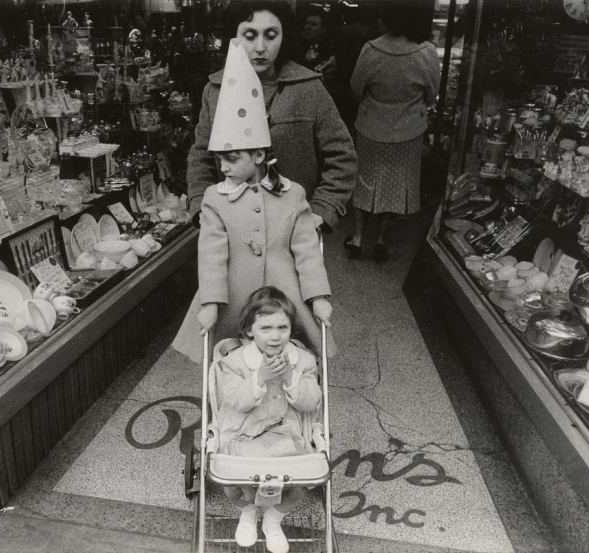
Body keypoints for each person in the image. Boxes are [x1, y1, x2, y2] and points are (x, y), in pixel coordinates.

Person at [173, 36, 333, 365]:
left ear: (259, 154)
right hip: (231, 297)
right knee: (229, 360)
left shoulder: (293, 195)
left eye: (231, 159)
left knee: (293, 355)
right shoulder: (215, 200)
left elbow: (306, 251)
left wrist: (318, 297)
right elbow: (212, 255)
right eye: (219, 160)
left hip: (284, 294)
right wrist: (210, 303)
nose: (223, 168)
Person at [186, 0, 356, 233]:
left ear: (283, 37)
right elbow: (201, 158)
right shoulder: (215, 91)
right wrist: (202, 208)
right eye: (249, 35)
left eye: (271, 35)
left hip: (294, 232)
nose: (260, 47)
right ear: (234, 38)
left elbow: (342, 157)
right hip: (233, 230)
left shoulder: (308, 88)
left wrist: (320, 211)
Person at [215, 286, 322, 553]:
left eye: (282, 328)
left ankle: (274, 519)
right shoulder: (235, 362)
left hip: (286, 432)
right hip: (243, 432)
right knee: (232, 483)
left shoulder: (304, 361)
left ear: (290, 329)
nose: (275, 337)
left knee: (302, 482)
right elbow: (236, 401)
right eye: (265, 329)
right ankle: (248, 512)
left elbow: (311, 401)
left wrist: (289, 378)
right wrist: (260, 377)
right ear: (250, 330)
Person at [345, 0, 439, 262]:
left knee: (365, 183)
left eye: (382, 15)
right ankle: (382, 241)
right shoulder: (427, 51)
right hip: (408, 131)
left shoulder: (371, 49)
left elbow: (356, 87)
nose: (378, 20)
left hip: (370, 127)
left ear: (390, 18)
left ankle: (357, 238)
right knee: (396, 188)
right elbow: (432, 95)